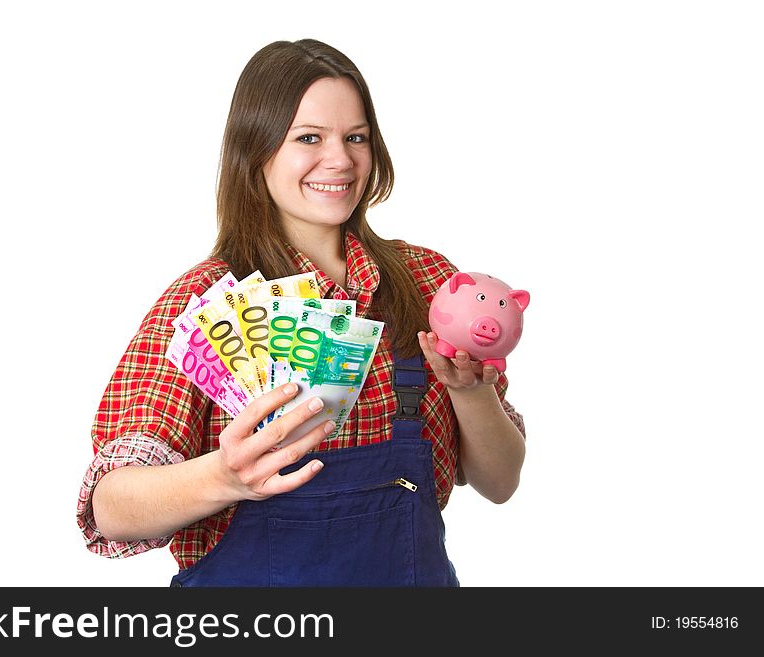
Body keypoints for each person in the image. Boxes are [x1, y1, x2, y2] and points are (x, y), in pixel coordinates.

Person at [76, 38, 526, 587]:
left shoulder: (427, 283)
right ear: (256, 149)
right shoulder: (209, 303)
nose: (340, 160)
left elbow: (501, 483)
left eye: (355, 137)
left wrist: (470, 392)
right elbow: (111, 509)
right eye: (308, 138)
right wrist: (224, 476)